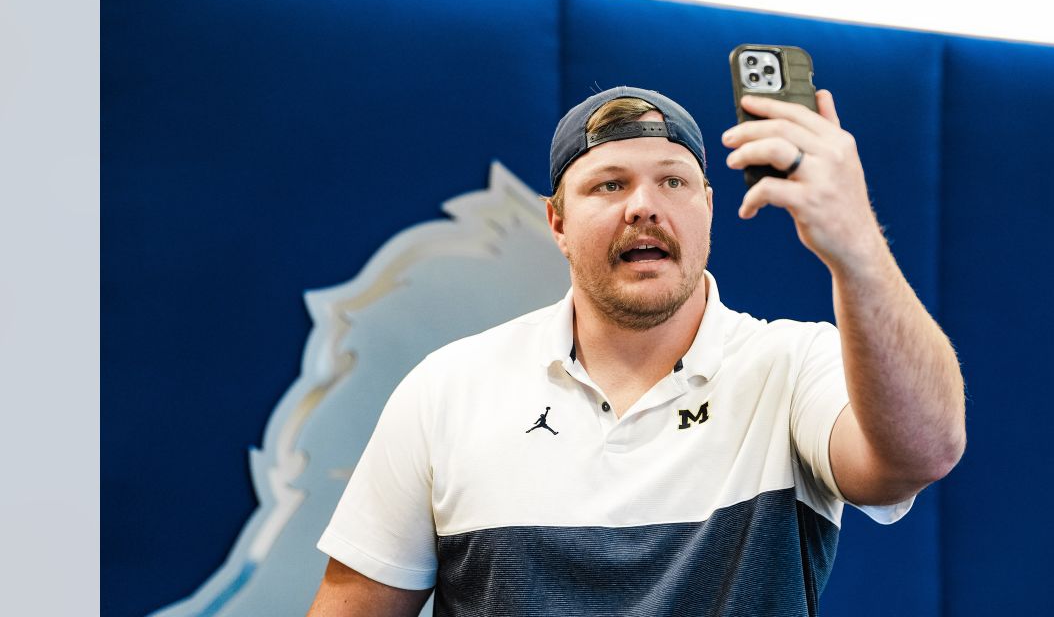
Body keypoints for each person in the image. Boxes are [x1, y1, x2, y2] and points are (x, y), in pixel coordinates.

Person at [307, 86, 966, 616]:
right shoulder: (446, 389)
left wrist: (856, 246)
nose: (644, 207)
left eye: (673, 182)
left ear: (707, 209)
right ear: (557, 223)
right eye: (610, 185)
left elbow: (921, 453)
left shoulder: (792, 367)